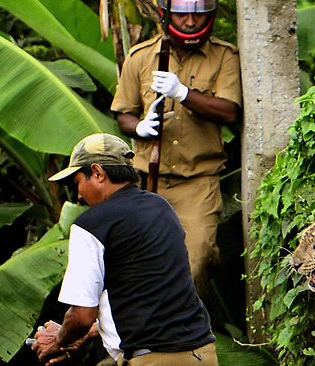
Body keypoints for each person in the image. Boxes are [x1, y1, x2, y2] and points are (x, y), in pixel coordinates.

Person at [32, 133, 218, 366]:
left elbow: (81, 316)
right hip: (202, 354)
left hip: (152, 359)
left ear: (98, 173)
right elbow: (142, 296)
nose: (78, 195)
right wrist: (86, 336)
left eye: (78, 181)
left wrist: (57, 340)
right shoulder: (160, 207)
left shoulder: (90, 225)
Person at [110, 0, 242, 304]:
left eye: (198, 13)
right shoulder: (141, 57)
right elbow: (123, 114)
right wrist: (140, 126)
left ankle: (188, 335)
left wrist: (183, 93)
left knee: (197, 262)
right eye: (183, 13)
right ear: (166, 14)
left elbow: (229, 111)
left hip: (198, 182)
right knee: (138, 266)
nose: (191, 21)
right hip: (146, 182)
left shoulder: (224, 56)